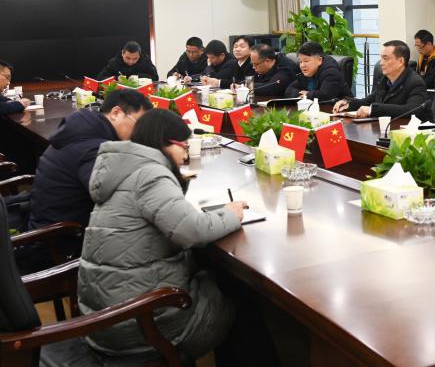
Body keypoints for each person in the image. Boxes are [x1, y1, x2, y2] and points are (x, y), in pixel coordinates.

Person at [77, 109, 246, 359]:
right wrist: (230, 213)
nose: (186, 155)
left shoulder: (123, 168)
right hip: (142, 325)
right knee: (240, 297)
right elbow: (193, 231)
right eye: (184, 146)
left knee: (209, 276)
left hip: (106, 316)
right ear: (165, 142)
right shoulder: (150, 175)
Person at [27, 89, 152, 231]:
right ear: (116, 113)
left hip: (51, 223)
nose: (140, 132)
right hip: (62, 236)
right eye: (139, 124)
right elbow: (118, 199)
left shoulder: (84, 131)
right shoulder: (93, 148)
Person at [333, 40, 429, 119]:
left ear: (401, 61)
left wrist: (372, 110)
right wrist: (348, 103)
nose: (381, 63)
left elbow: (411, 110)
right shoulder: (384, 80)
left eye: (385, 58)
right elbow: (368, 101)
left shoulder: (415, 82)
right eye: (381, 58)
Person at [286, 42, 351, 102]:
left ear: (319, 60)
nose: (302, 65)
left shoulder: (331, 72)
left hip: (341, 108)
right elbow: (289, 90)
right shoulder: (307, 71)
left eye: (306, 61)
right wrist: (302, 94)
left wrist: (308, 95)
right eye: (300, 61)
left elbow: (325, 95)